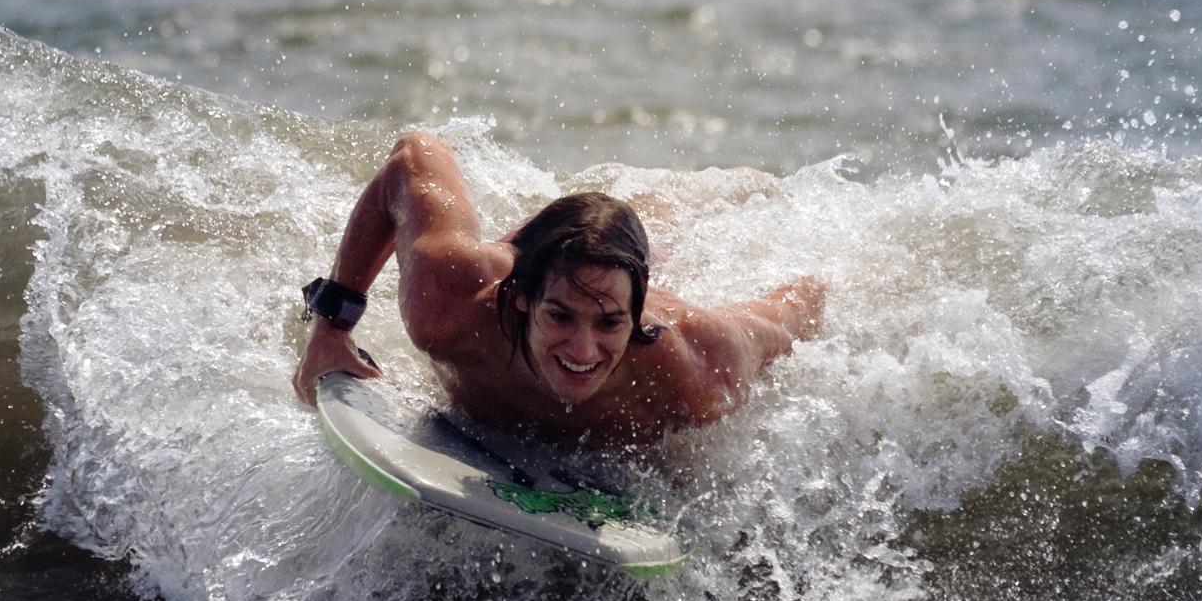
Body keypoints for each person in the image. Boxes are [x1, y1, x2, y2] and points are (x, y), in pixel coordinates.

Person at [291, 131, 824, 444]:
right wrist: (331, 329)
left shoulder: (697, 365)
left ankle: (686, 198)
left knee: (653, 236)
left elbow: (789, 313)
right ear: (522, 299)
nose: (582, 350)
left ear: (639, 315)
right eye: (560, 317)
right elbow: (413, 154)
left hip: (620, 273)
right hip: (533, 254)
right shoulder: (449, 305)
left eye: (610, 323)